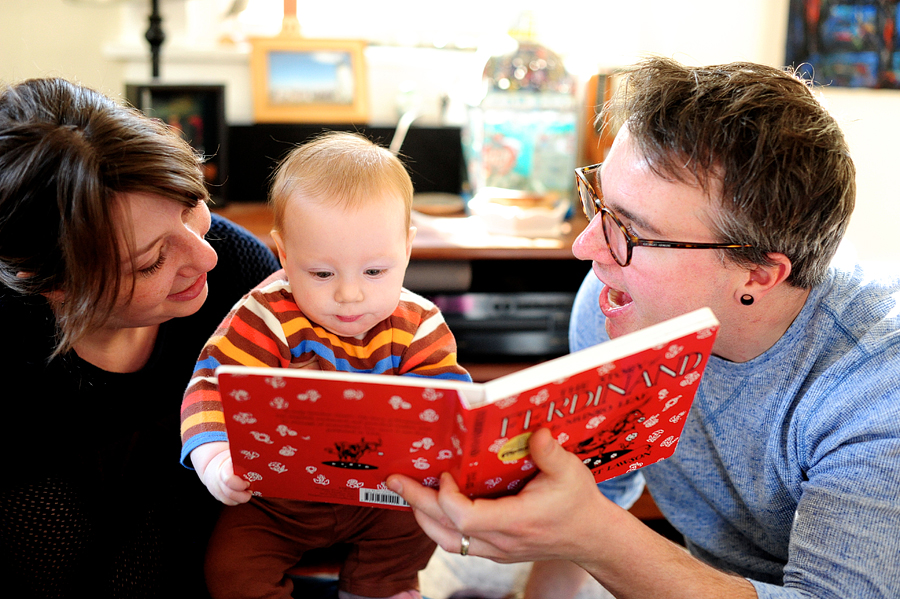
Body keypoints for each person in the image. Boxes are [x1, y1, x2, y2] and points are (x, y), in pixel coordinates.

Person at [386, 56, 900, 599]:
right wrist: (578, 531)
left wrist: (591, 534)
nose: (588, 248)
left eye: (631, 231)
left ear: (759, 272)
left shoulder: (874, 388)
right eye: (599, 203)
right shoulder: (615, 306)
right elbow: (594, 497)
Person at [0, 77, 281, 598]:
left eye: (191, 204)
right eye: (151, 261)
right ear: (52, 285)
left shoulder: (240, 274)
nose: (206, 256)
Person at [180, 131, 472, 599]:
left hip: (382, 492)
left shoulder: (419, 324)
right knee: (230, 569)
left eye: (375, 271)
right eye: (322, 273)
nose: (350, 294)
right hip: (278, 500)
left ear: (408, 250)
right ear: (285, 253)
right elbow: (210, 386)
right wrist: (216, 459)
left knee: (423, 520)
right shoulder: (265, 315)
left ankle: (381, 586)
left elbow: (445, 405)